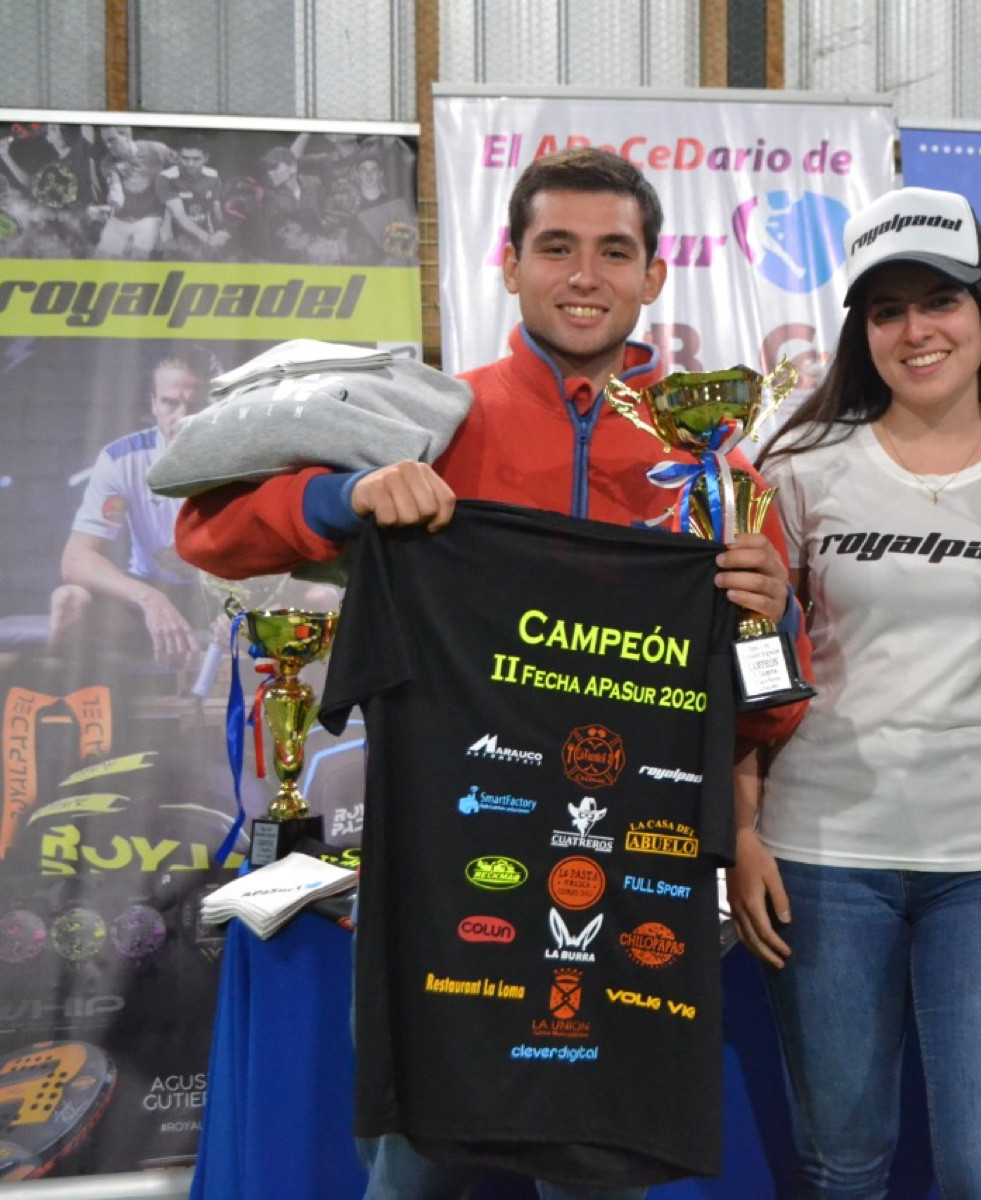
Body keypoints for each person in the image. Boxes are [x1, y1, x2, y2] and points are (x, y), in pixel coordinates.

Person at [175, 147, 810, 1200]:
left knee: (596, 1173)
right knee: (413, 1170)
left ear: (654, 275)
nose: (584, 276)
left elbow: (770, 713)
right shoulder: (430, 420)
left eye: (614, 252)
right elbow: (211, 531)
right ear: (509, 265)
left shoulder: (717, 471)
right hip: (442, 866)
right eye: (556, 248)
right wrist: (345, 498)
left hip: (627, 871)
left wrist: (769, 617)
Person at [727, 186, 981, 1199]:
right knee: (843, 1167)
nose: (916, 330)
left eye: (939, 300)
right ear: (861, 330)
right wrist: (742, 831)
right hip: (819, 858)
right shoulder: (798, 466)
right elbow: (751, 663)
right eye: (887, 310)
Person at [50, 345, 216, 664]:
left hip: (225, 593)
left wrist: (240, 604)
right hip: (149, 586)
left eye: (194, 405)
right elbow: (76, 559)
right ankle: (58, 695)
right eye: (170, 402)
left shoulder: (243, 460)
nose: (182, 417)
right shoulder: (123, 459)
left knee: (312, 598)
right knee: (69, 600)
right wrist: (149, 598)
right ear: (154, 403)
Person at [93, 125, 174, 260]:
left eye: (112, 140)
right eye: (105, 141)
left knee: (137, 260)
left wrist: (168, 223)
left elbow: (182, 170)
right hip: (119, 219)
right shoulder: (107, 162)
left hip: (150, 218)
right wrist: (109, 207)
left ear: (127, 136)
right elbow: (116, 194)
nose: (108, 146)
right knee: (100, 261)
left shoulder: (157, 150)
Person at [156, 135, 229, 259]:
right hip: (175, 238)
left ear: (206, 158)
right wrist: (208, 238)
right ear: (178, 156)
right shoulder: (166, 177)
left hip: (206, 234)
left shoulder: (213, 176)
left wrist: (223, 230)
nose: (190, 164)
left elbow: (216, 209)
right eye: (185, 158)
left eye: (196, 159)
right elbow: (179, 214)